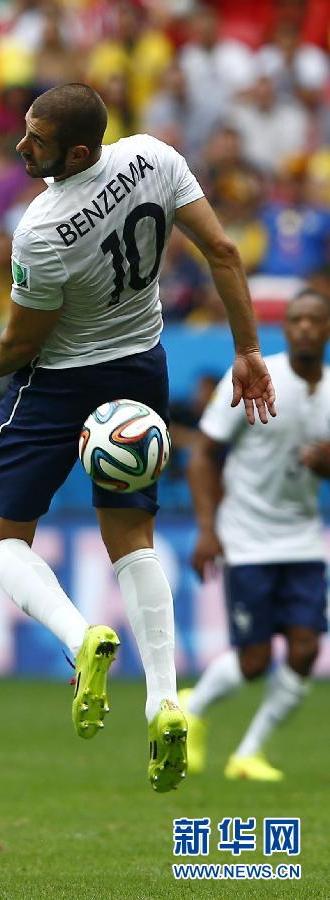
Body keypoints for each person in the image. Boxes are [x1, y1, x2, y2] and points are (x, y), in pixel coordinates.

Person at [0, 83, 276, 794]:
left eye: (36, 141)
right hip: (139, 374)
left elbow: (25, 335)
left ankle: (79, 637)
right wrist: (246, 351)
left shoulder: (42, 227)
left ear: (75, 152)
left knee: (0, 540)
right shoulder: (153, 157)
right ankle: (164, 698)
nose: (22, 147)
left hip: (57, 383)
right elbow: (223, 252)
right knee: (131, 540)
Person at [182, 289, 330, 781]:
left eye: (314, 320)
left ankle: (248, 753)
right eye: (296, 320)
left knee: (307, 649)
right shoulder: (257, 376)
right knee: (254, 661)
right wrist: (207, 527)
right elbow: (204, 453)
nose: (305, 328)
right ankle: (191, 709)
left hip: (304, 537)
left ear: (327, 329)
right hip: (246, 536)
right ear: (285, 329)